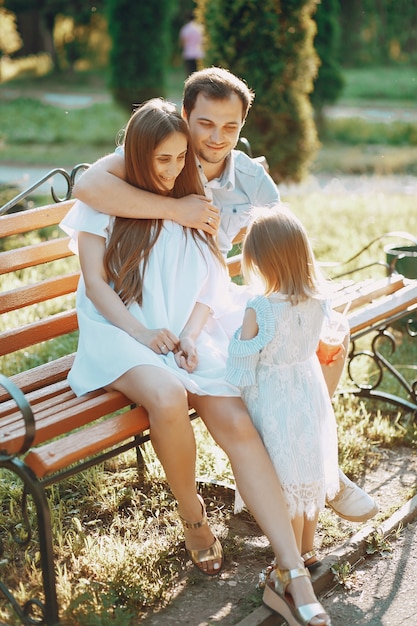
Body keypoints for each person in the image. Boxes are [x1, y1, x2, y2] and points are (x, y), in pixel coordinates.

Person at [73, 67, 378, 525]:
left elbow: (282, 255)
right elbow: (87, 187)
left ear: (242, 126)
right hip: (167, 305)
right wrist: (177, 208)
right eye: (206, 124)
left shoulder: (253, 182)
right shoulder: (160, 154)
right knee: (262, 356)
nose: (217, 138)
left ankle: (315, 466)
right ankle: (294, 475)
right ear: (185, 115)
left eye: (230, 127)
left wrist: (308, 311)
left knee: (326, 342)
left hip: (213, 295)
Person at [67, 99, 332, 626]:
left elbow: (212, 281)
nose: (169, 171)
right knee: (168, 394)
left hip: (180, 332)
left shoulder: (196, 199)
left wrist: (189, 334)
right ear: (136, 156)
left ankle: (291, 570)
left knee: (236, 420)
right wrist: (143, 333)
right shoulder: (108, 201)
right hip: (118, 331)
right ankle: (192, 515)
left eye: (178, 158)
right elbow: (96, 284)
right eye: (159, 160)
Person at [226, 206, 342, 581]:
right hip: (307, 391)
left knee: (282, 476)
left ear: (259, 259)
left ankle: (286, 562)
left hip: (272, 398)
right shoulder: (318, 300)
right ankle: (307, 551)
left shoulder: (260, 307)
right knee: (306, 469)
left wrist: (228, 349)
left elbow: (241, 368)